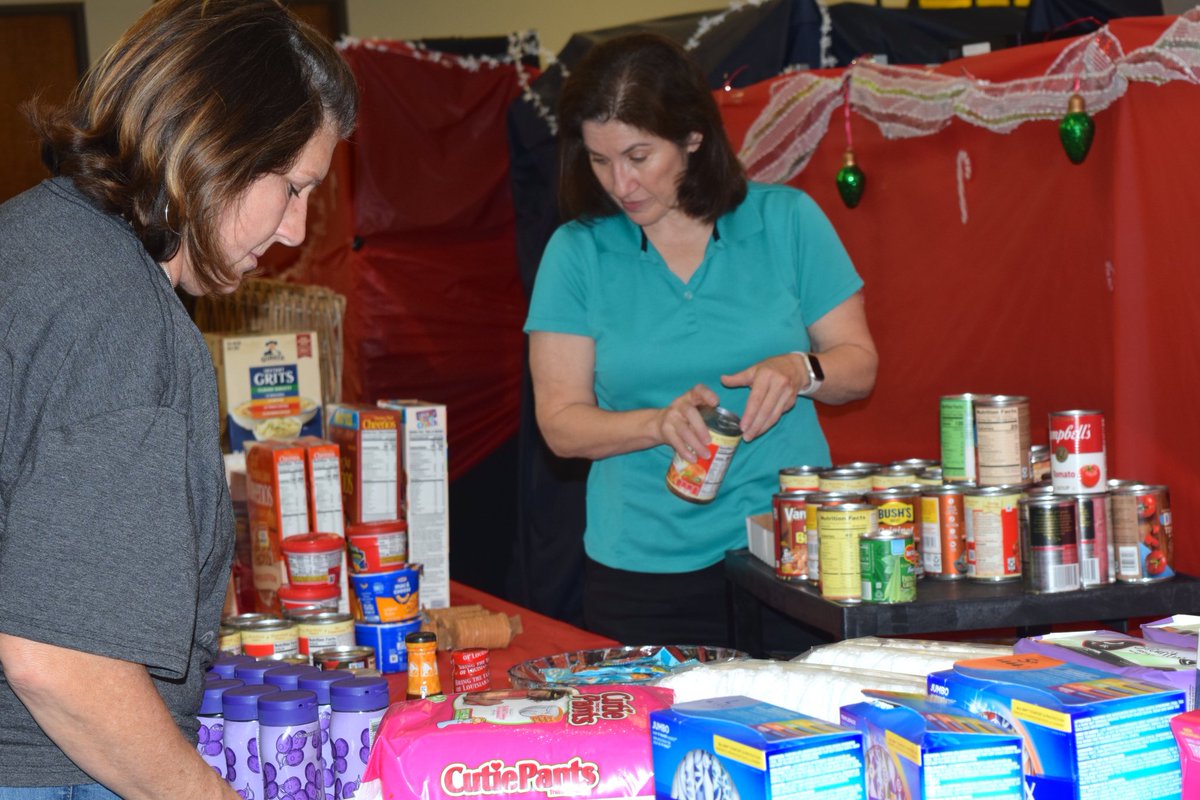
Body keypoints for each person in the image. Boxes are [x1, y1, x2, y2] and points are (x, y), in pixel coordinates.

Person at [0, 1, 357, 797]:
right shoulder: (119, 311)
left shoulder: (32, 241)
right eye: (293, 188)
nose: (296, 231)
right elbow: (60, 660)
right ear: (217, 144)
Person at [524, 33, 877, 647]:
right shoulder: (577, 254)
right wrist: (656, 424)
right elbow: (560, 424)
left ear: (693, 136)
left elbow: (859, 367)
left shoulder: (786, 220)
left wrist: (802, 369)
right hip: (643, 568)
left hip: (794, 553)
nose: (620, 182)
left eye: (639, 155)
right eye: (599, 159)